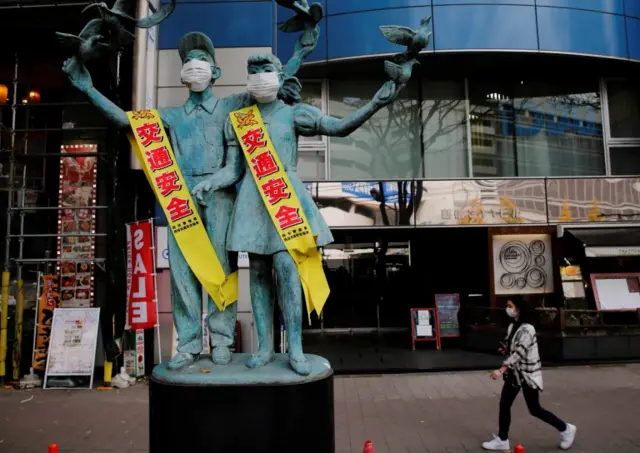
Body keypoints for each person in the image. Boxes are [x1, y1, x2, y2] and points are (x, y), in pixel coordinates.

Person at [213, 52, 403, 375]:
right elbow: (232, 170)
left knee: (287, 266)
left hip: (284, 197)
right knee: (257, 270)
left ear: (278, 75)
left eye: (265, 69)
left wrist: (375, 104)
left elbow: (339, 127)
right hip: (251, 200)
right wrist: (205, 183)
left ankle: (296, 348)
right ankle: (264, 347)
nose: (259, 75)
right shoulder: (239, 120)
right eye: (253, 70)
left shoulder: (294, 114)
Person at [482, 297, 577, 451]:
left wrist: (501, 370)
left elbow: (520, 351)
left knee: (534, 409)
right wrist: (504, 347)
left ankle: (566, 428)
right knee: (505, 404)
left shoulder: (528, 328)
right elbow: (511, 344)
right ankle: (502, 439)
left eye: (510, 306)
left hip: (528, 374)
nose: (508, 308)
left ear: (518, 308)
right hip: (515, 374)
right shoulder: (513, 326)